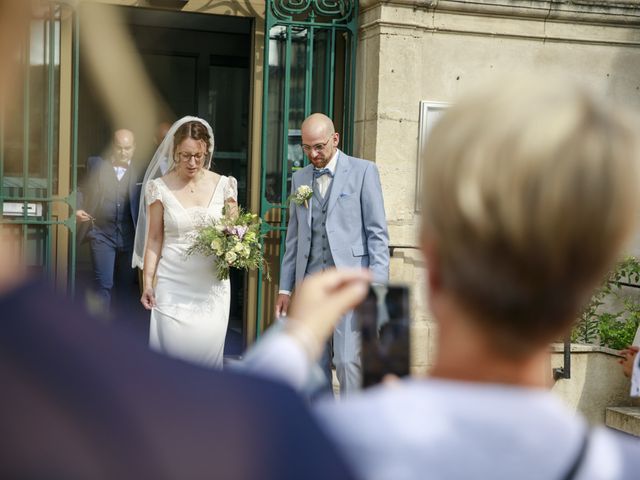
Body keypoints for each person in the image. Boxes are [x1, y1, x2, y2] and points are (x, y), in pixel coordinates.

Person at [245, 79, 640, 479]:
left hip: (355, 300)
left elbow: (237, 433)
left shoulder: (353, 442)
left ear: (431, 266)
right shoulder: (621, 467)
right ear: (587, 286)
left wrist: (293, 343)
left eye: (319, 145)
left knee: (352, 367)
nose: (312, 154)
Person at [275, 113, 390, 396]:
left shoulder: (364, 171)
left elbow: (377, 236)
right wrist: (285, 288)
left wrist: (378, 290)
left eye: (319, 146)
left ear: (335, 139)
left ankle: (352, 426)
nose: (313, 154)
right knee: (315, 364)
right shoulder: (299, 178)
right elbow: (293, 239)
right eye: (306, 148)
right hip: (311, 287)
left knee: (349, 361)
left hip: (350, 285)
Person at [133, 116, 237, 369]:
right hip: (172, 286)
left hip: (212, 288)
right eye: (184, 155)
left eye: (198, 156)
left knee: (207, 360)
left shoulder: (225, 185)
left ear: (206, 152)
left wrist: (235, 247)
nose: (191, 162)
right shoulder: (158, 188)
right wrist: (148, 283)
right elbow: (155, 238)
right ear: (174, 152)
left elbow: (234, 231)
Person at [76, 129, 144, 323]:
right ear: (113, 147)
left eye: (127, 148)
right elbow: (82, 188)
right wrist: (77, 208)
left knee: (125, 286)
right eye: (119, 148)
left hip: (130, 236)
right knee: (103, 283)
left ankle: (120, 332)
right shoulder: (96, 164)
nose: (123, 152)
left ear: (134, 148)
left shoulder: (143, 169)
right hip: (101, 234)